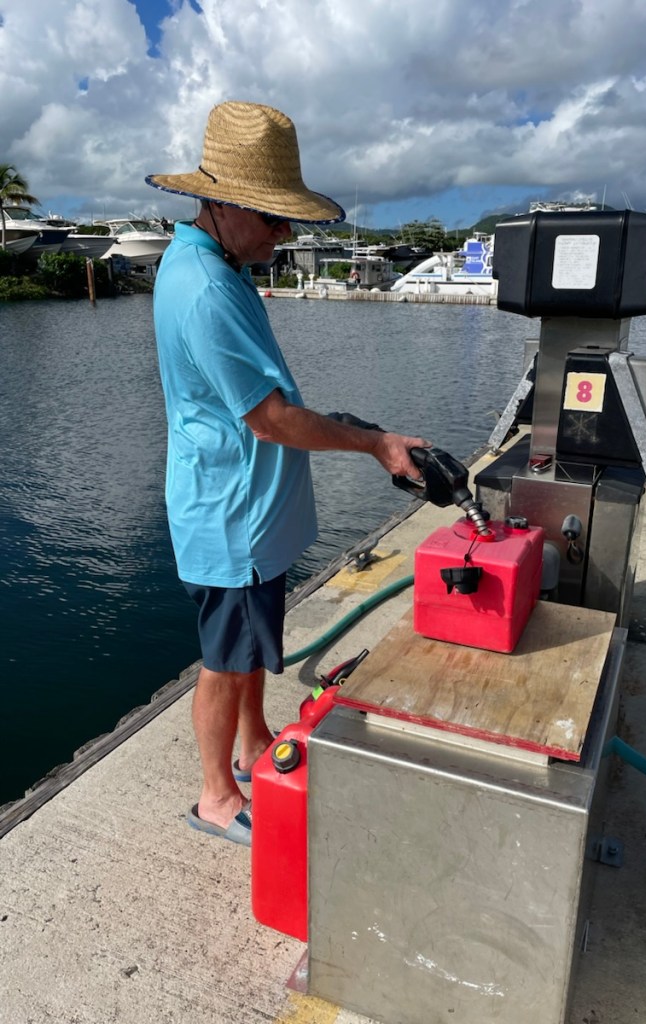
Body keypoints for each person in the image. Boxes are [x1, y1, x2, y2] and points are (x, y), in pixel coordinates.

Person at [145, 101, 428, 847]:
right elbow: (268, 419)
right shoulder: (209, 289)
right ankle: (216, 797)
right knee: (223, 660)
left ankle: (251, 745)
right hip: (232, 516)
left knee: (245, 652)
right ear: (223, 205)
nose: (285, 234)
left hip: (239, 506)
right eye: (273, 217)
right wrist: (372, 444)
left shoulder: (209, 263)